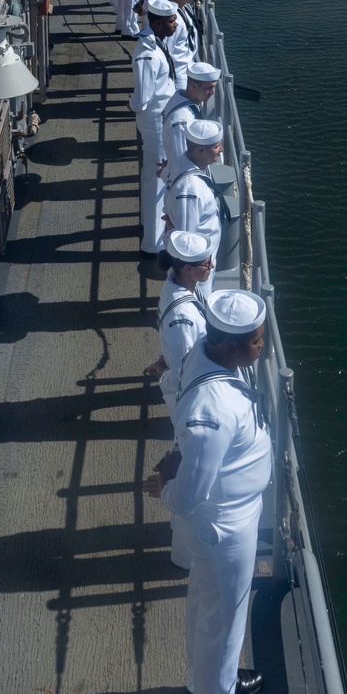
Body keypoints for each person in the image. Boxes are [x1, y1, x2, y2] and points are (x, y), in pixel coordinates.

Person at [146, 289, 274, 694]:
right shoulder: (213, 408)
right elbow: (191, 494)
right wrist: (167, 491)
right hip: (226, 530)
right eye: (258, 342)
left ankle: (203, 685)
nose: (263, 348)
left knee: (207, 610)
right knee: (222, 626)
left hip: (230, 523)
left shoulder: (212, 357)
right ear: (232, 346)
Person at [143, 229, 212, 569]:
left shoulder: (180, 288)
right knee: (188, 461)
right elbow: (188, 370)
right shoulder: (184, 318)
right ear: (185, 268)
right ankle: (185, 555)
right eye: (204, 263)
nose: (211, 266)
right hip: (189, 402)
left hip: (184, 393)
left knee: (186, 458)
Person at [129, 0, 178, 257]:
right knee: (157, 181)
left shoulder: (157, 43)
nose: (176, 24)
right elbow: (142, 99)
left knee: (152, 176)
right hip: (156, 124)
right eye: (172, 21)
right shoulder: (148, 53)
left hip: (160, 120)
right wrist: (131, 103)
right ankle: (153, 243)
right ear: (157, 23)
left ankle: (148, 225)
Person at [162, 118, 225, 287]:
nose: (222, 149)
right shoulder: (191, 190)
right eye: (216, 146)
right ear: (200, 150)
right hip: (197, 273)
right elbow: (187, 241)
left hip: (202, 263)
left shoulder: (186, 160)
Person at [162, 62, 220, 165]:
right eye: (209, 88)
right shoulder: (182, 121)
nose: (212, 92)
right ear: (193, 86)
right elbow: (181, 160)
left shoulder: (180, 96)